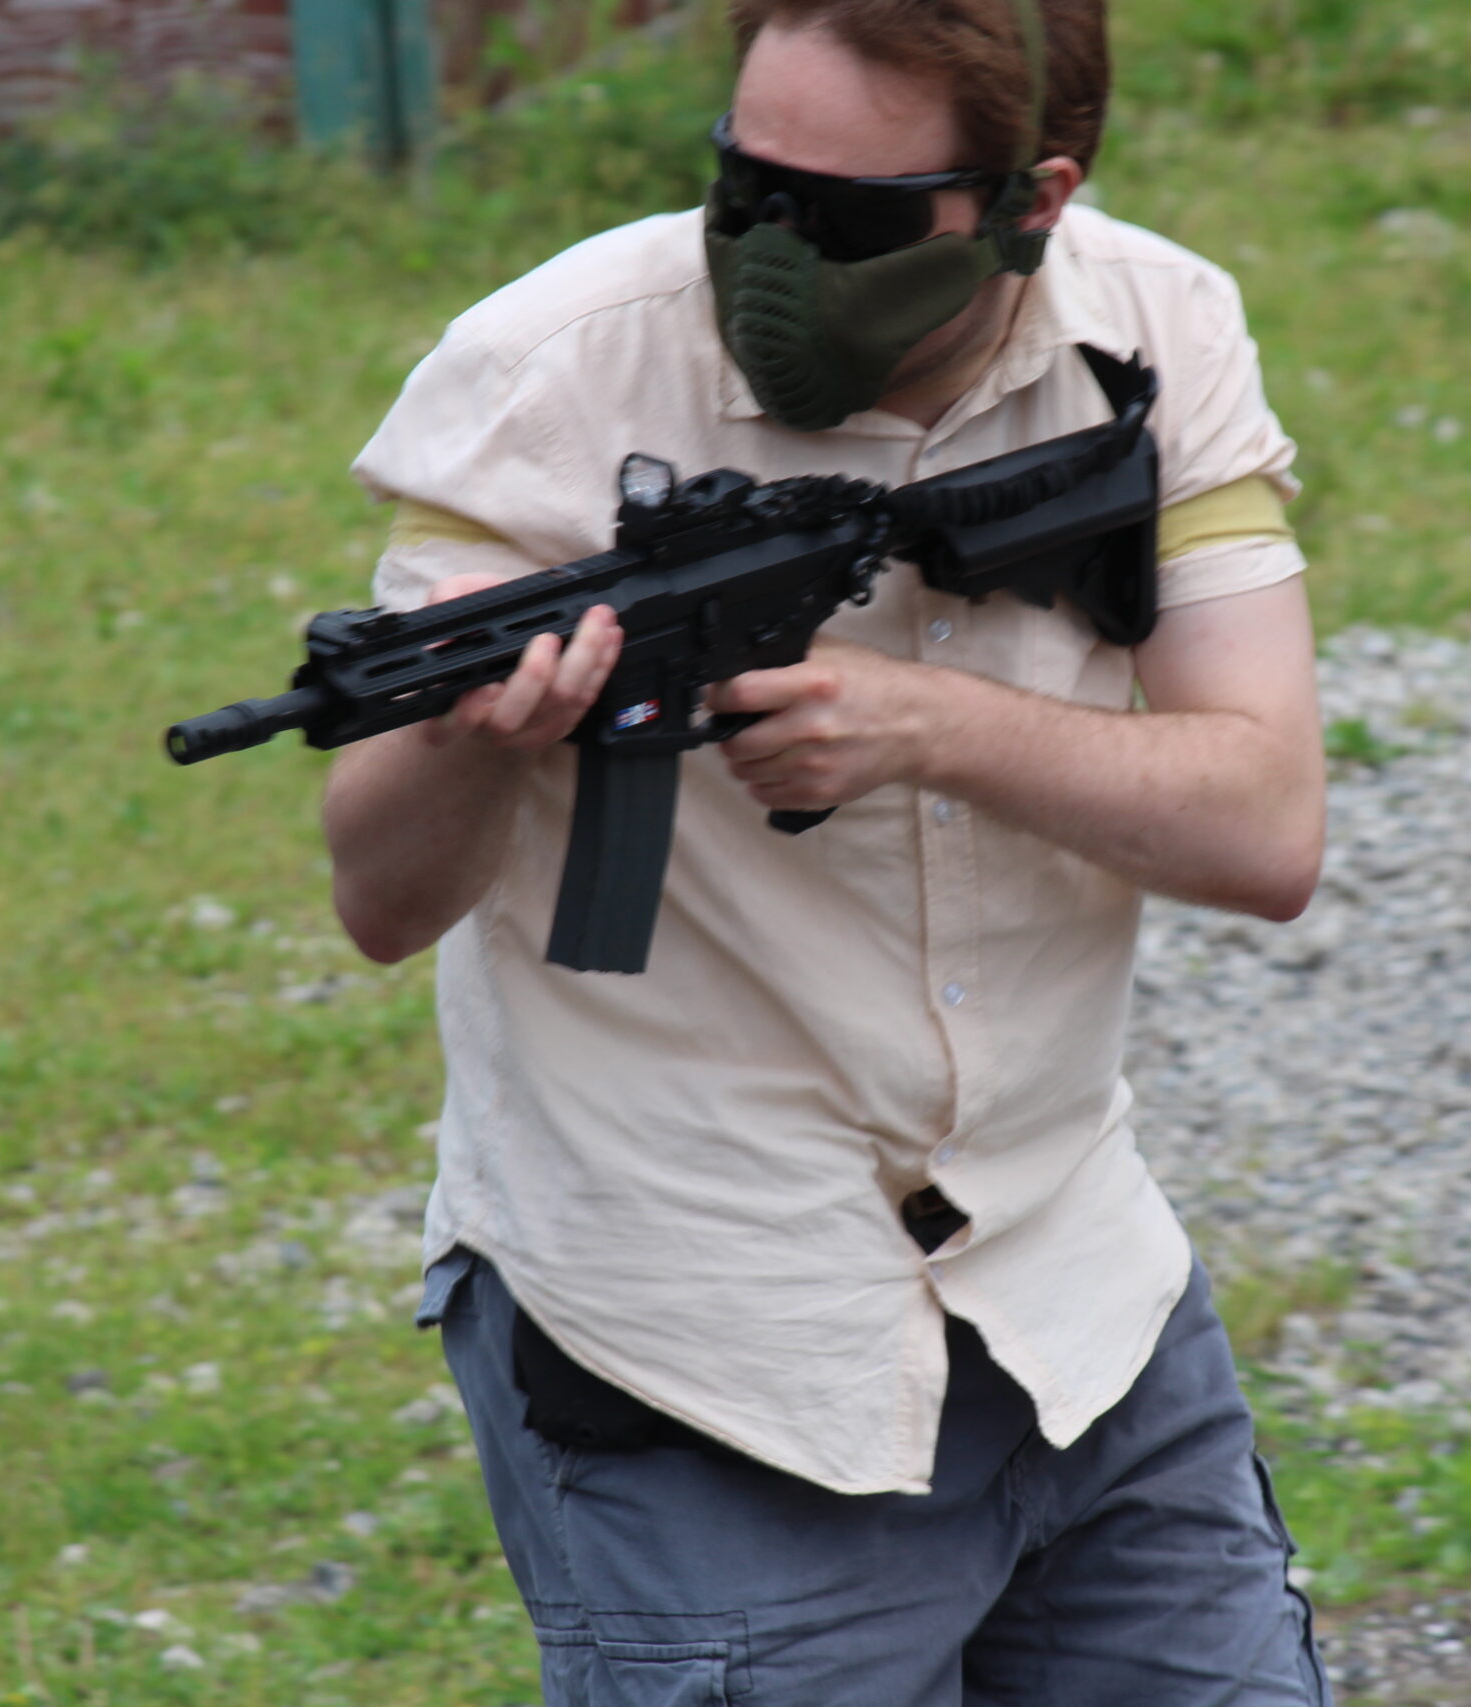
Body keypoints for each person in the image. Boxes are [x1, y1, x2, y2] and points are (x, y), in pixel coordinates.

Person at [322, 0, 1330, 1698]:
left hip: (1074, 1298)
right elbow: (379, 899)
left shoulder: (1154, 332)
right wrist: (465, 740)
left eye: (847, 218)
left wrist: (926, 725)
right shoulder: (550, 375)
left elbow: (1267, 825)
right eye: (746, 188)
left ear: (1034, 197)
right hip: (704, 1351)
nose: (774, 257)